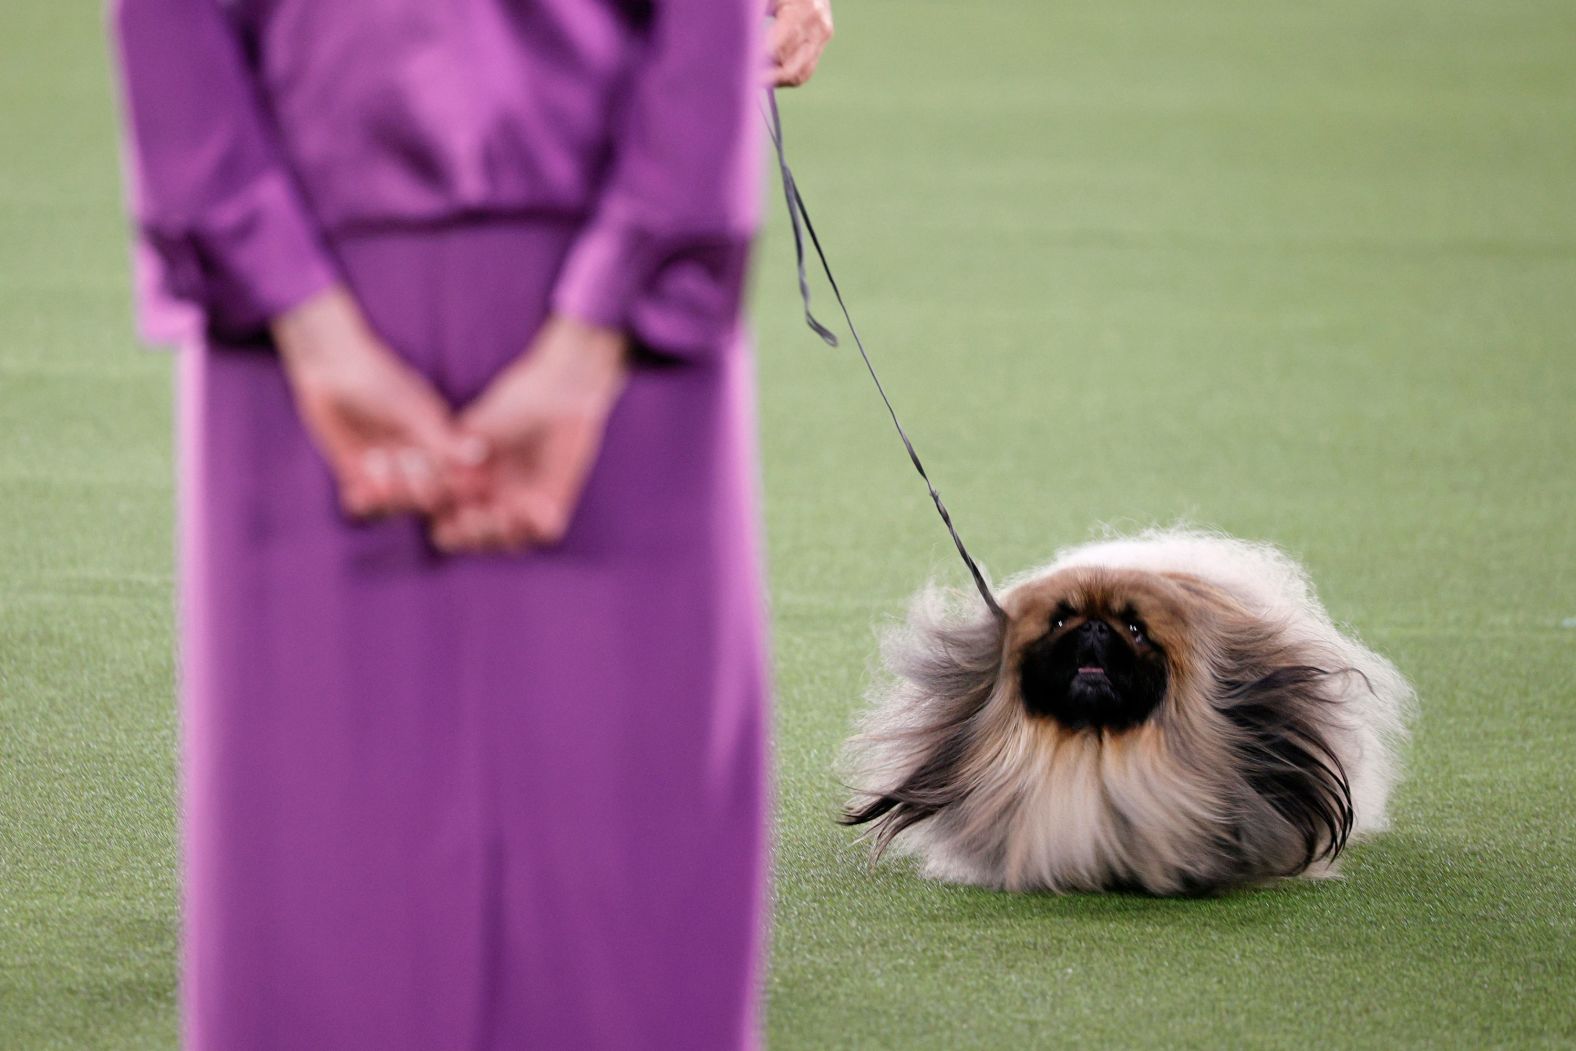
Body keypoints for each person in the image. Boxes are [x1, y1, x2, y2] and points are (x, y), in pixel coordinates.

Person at [107, 0, 832, 1046]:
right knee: (619, 892)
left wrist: (296, 309)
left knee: (330, 875)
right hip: (597, 262)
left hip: (325, 263)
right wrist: (607, 317)